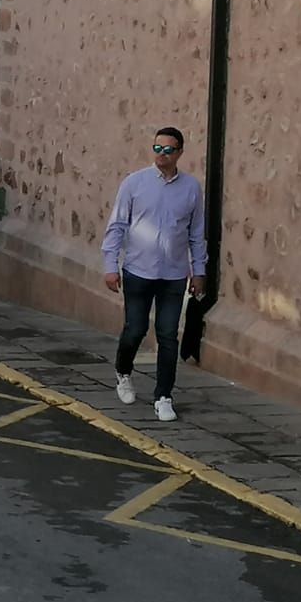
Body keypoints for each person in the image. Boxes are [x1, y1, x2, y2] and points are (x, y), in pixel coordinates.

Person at [101, 126, 206, 422]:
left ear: (180, 153)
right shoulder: (134, 183)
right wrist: (110, 265)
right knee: (135, 329)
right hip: (138, 270)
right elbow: (117, 226)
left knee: (168, 335)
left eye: (168, 150)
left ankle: (163, 395)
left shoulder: (191, 188)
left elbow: (197, 234)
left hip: (173, 274)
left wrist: (199, 271)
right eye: (157, 148)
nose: (162, 154)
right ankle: (123, 371)